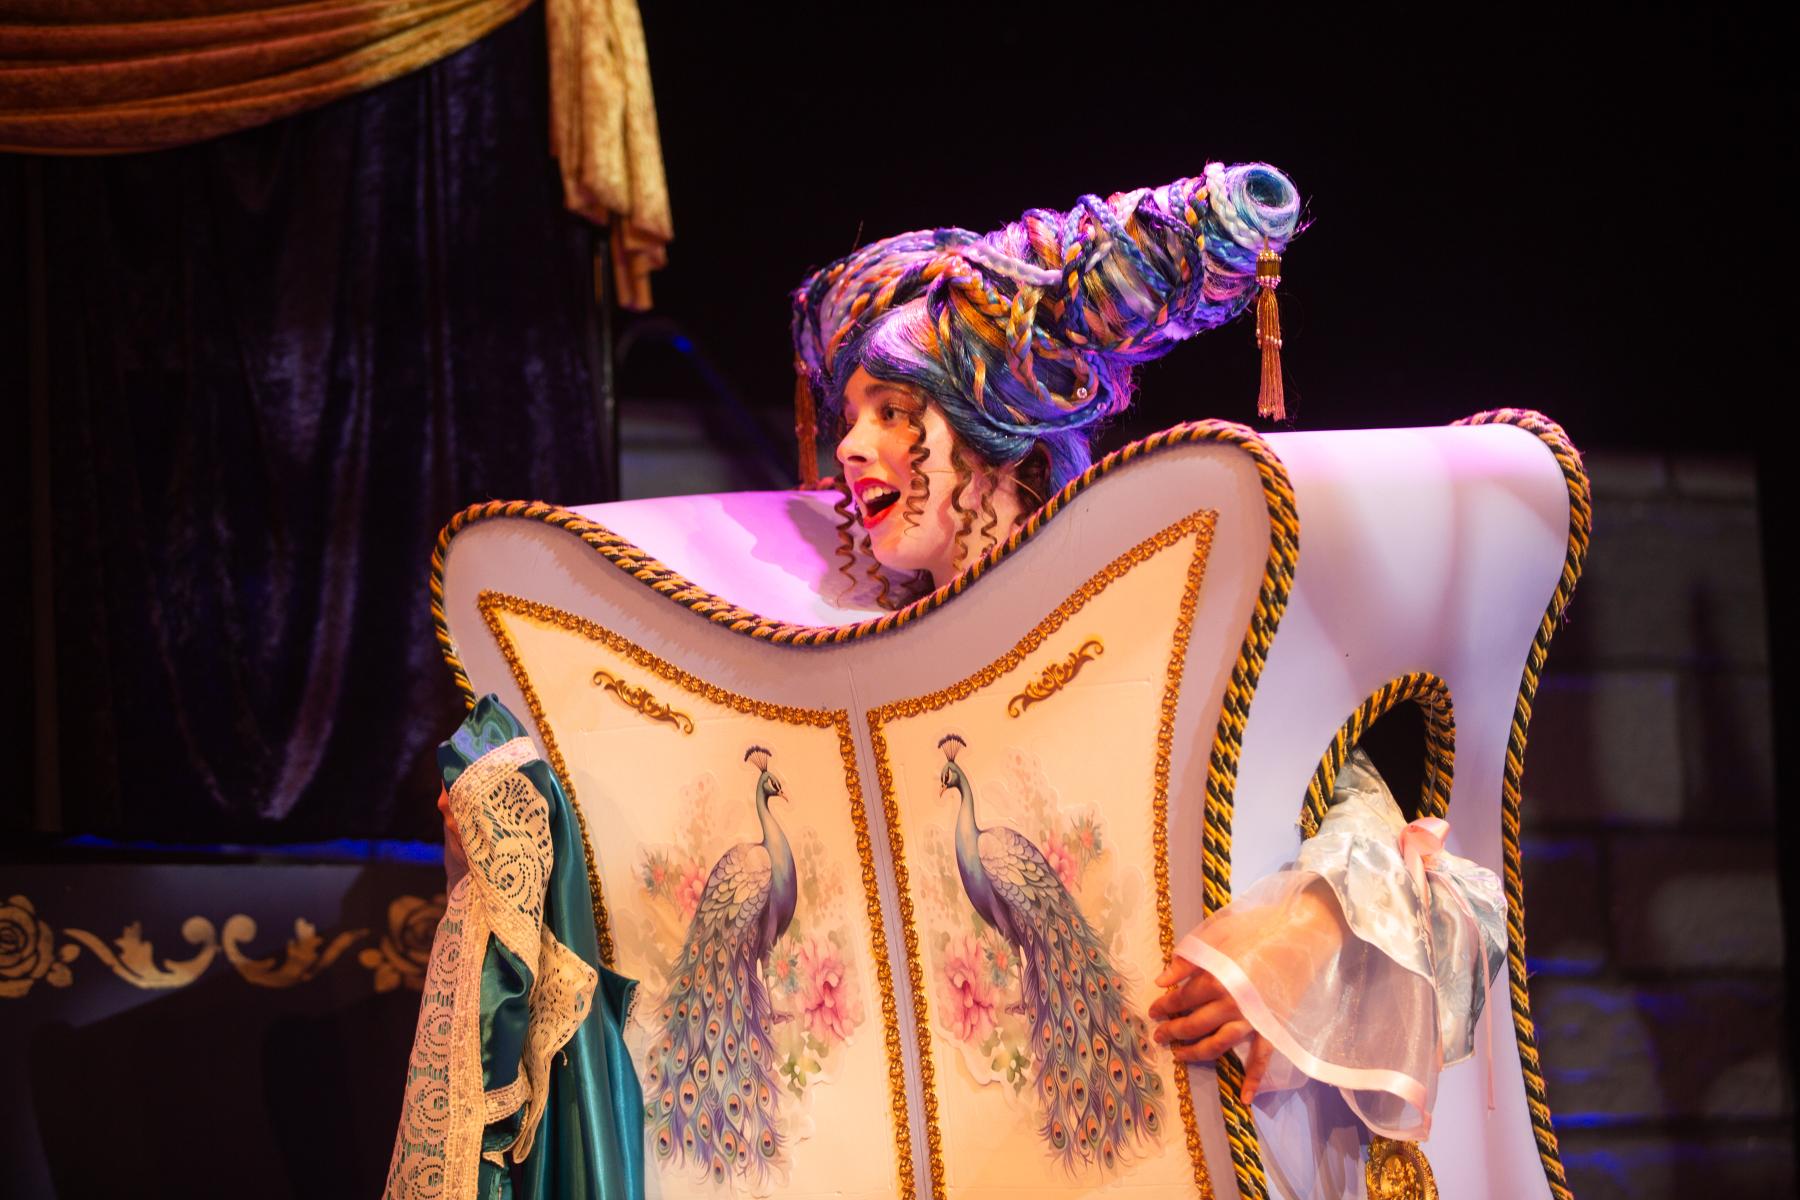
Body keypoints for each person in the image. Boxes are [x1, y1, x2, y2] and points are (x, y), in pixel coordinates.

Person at [791, 162, 1506, 1179]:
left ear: (998, 429)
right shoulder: (850, 672)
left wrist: (1295, 943)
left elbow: (1421, 871)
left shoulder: (1151, 622)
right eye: (848, 418)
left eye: (896, 412)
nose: (853, 450)